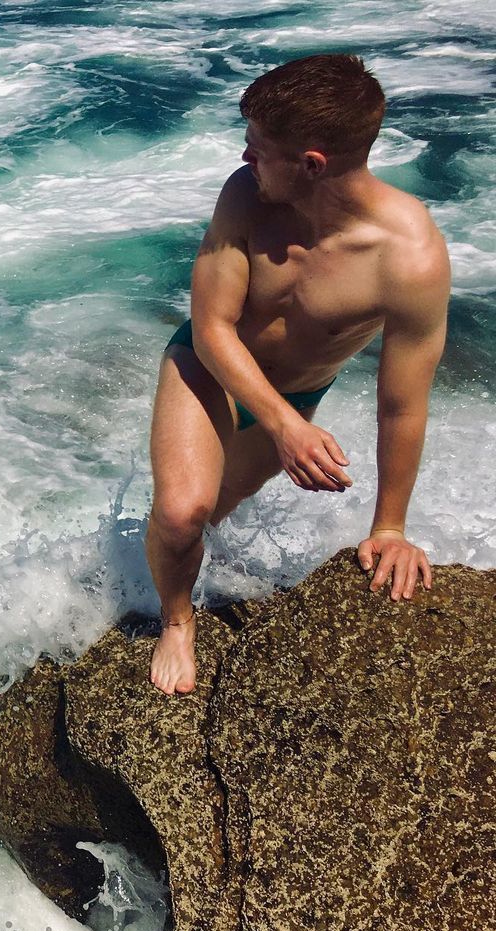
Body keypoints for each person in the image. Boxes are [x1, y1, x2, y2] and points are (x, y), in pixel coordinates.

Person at [146, 53, 450, 695]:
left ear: (311, 163)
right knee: (180, 512)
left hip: (296, 391)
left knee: (215, 511)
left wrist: (389, 528)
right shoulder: (246, 197)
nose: (244, 156)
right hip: (207, 365)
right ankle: (176, 620)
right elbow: (212, 327)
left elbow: (402, 405)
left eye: (259, 147)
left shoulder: (408, 260)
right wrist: (286, 427)